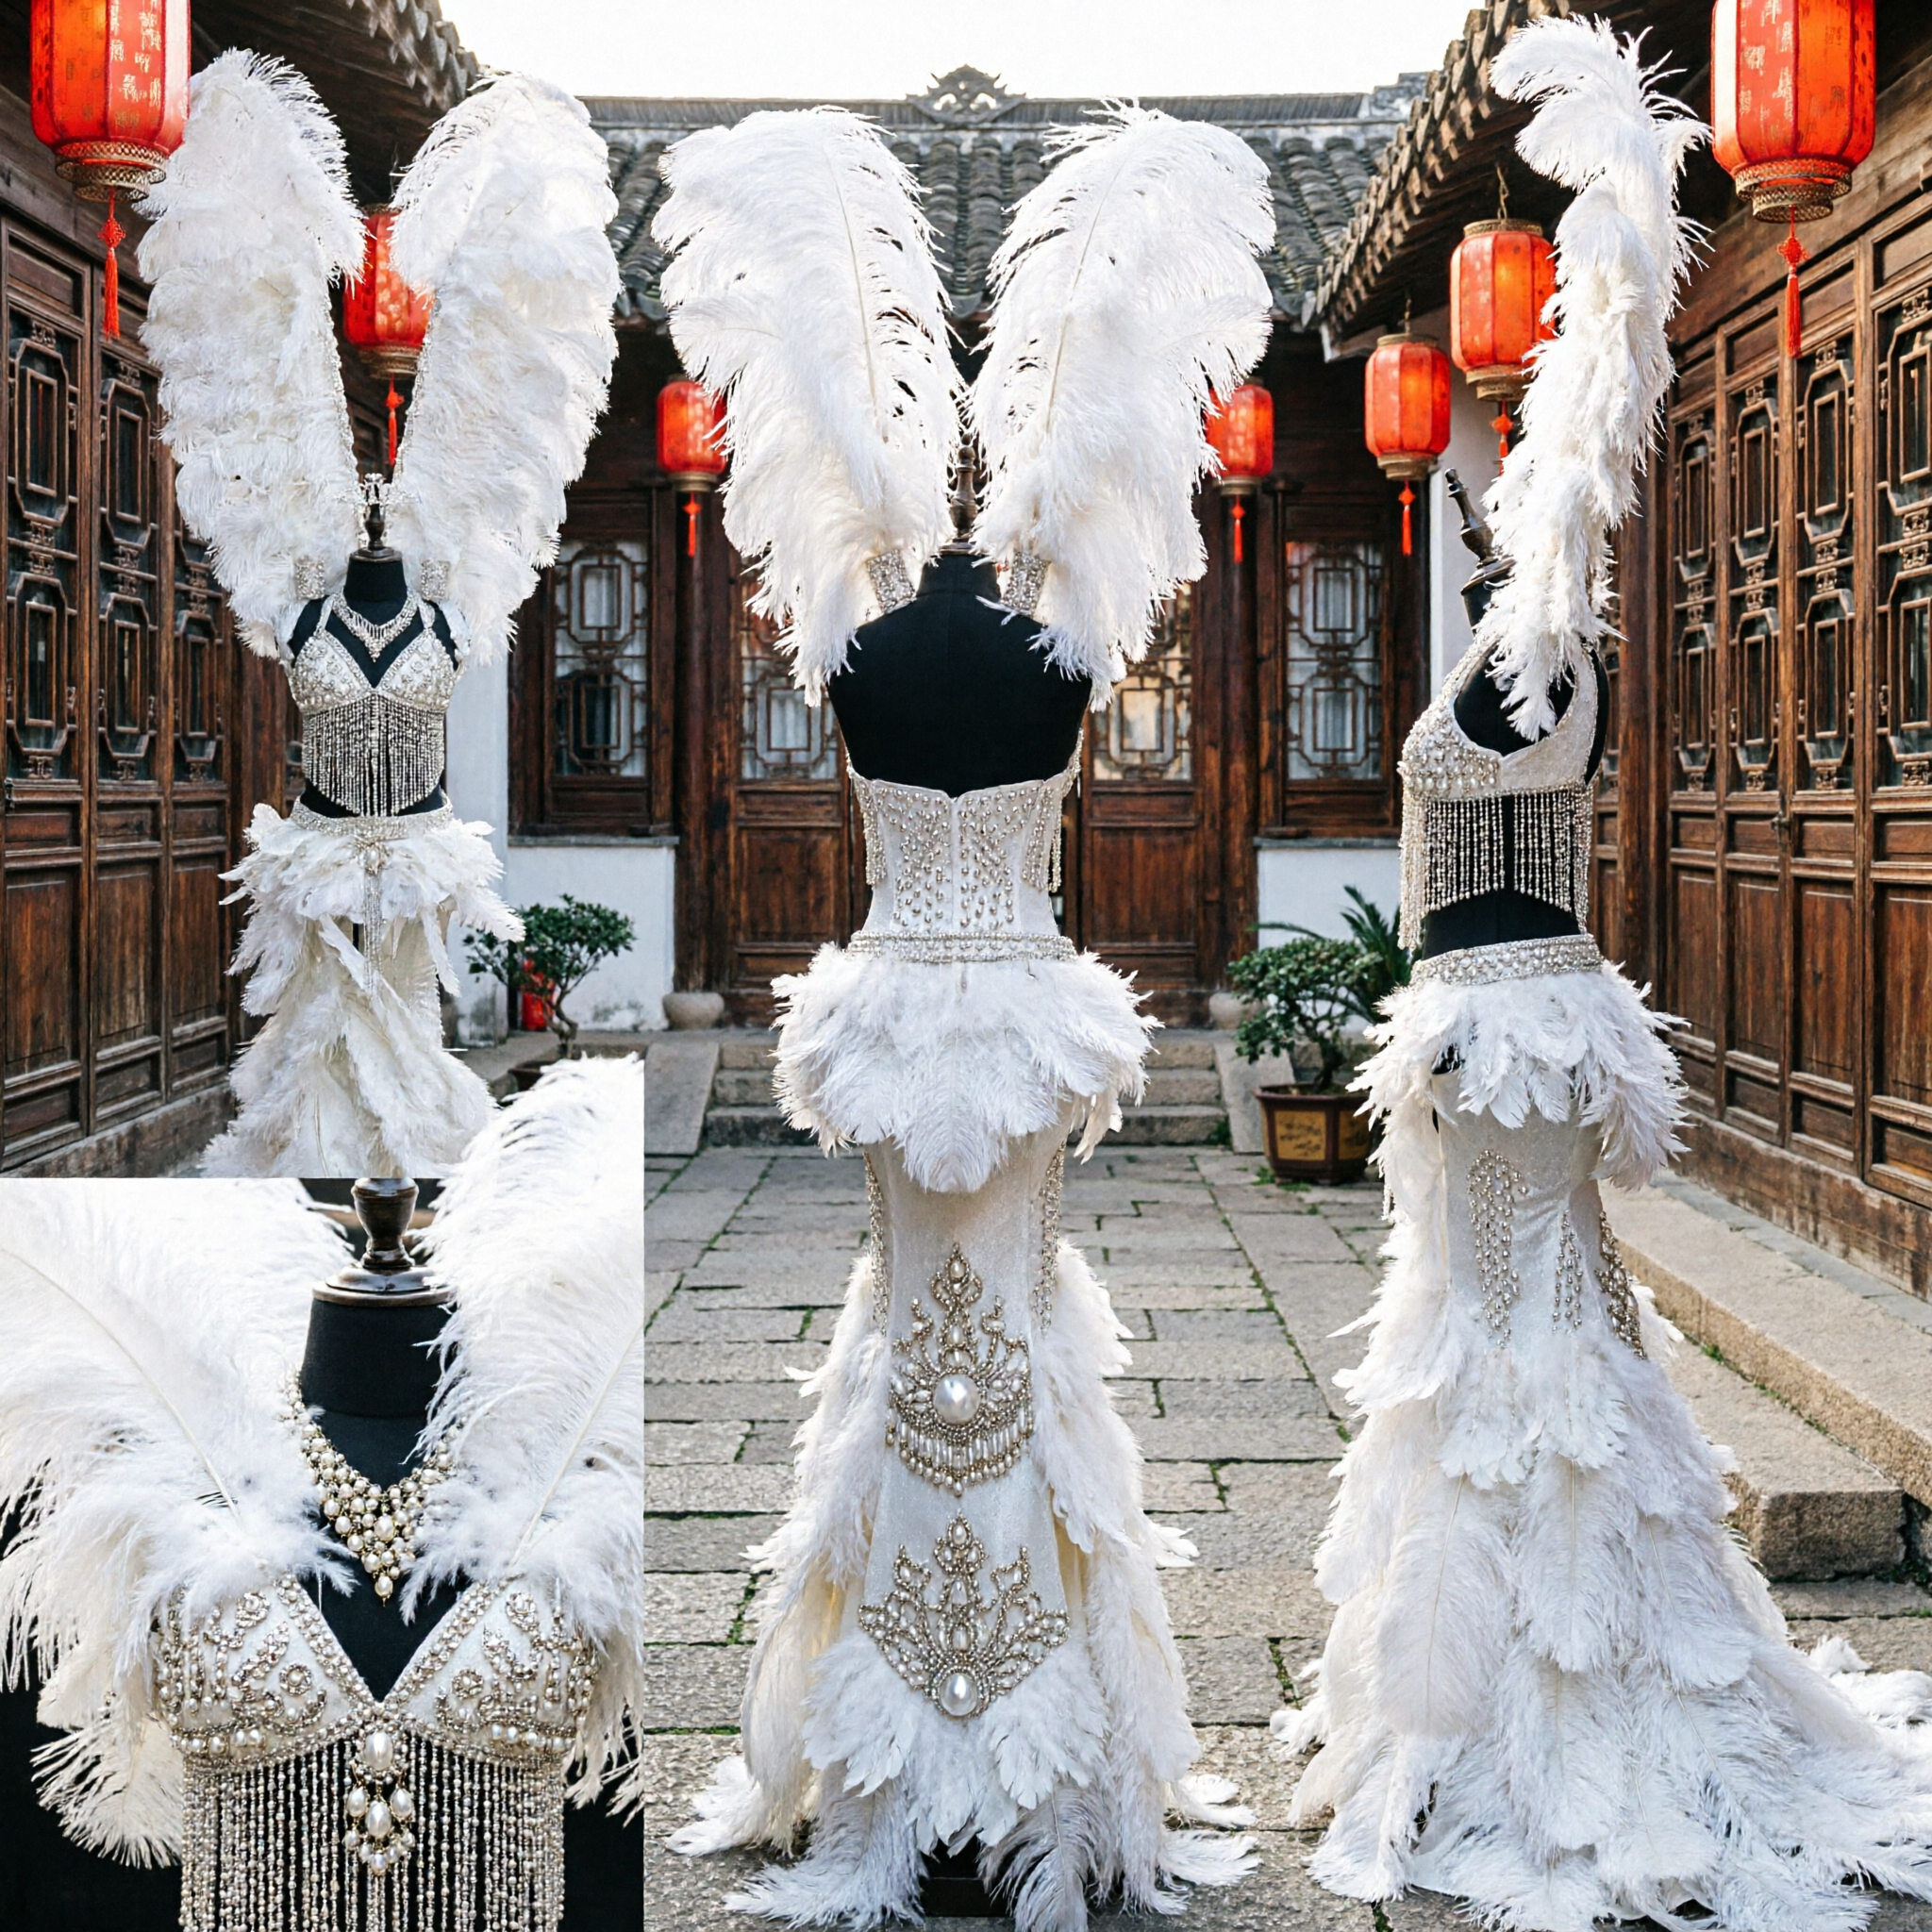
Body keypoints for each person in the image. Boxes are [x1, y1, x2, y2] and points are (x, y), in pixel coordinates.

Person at [1275, 22, 1932, 1931]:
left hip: (1509, 1027)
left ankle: (1561, 1703)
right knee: (1510, 1335)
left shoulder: (1538, 646)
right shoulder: (1526, 634)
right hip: (1496, 1024)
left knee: (1526, 1351)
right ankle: (1475, 1689)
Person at [656, 103, 1274, 1929]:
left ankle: (905, 1734)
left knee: (911, 1340)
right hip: (1012, 1009)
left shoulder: (861, 650)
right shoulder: (1055, 647)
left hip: (899, 1007)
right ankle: (1009, 1728)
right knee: (997, 1350)